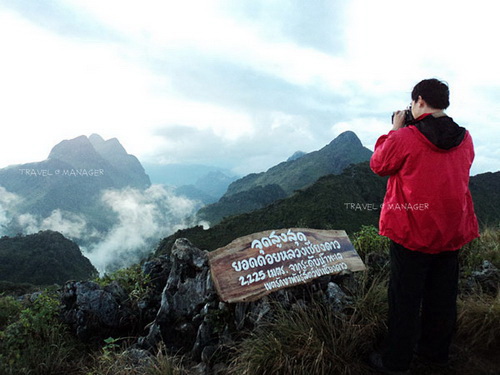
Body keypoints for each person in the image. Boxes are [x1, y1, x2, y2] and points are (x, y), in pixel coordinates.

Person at [368, 78, 479, 374]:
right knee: (442, 297)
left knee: (405, 299)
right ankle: (435, 354)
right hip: (452, 231)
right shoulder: (465, 137)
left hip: (412, 232)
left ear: (418, 101)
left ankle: (396, 362)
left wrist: (396, 129)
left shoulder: (406, 137)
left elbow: (379, 164)